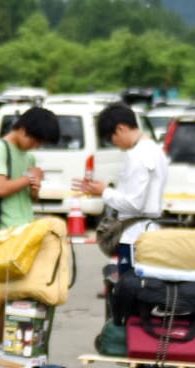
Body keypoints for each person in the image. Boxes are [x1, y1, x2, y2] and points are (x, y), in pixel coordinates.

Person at [0, 107, 60, 344]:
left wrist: (35, 186)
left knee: (22, 297)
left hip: (26, 231)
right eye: (35, 140)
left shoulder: (29, 157)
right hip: (2, 233)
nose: (36, 146)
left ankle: (18, 351)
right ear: (23, 130)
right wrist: (29, 177)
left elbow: (29, 197)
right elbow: (0, 188)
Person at [75, 103, 168, 277]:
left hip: (134, 237)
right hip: (152, 232)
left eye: (112, 137)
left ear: (121, 128)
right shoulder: (157, 151)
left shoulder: (136, 155)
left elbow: (133, 203)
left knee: (130, 288)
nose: (114, 143)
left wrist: (104, 192)